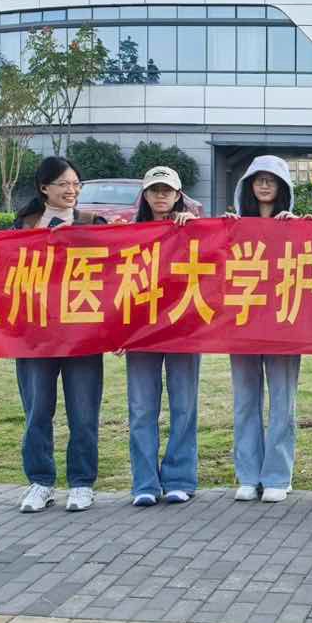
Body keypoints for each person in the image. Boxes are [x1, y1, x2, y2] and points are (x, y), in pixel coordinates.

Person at [12, 156, 110, 514]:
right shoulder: (24, 225)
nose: (71, 190)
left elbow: (116, 272)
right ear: (44, 188)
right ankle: (41, 481)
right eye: (63, 184)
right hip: (35, 333)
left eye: (76, 184)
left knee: (83, 412)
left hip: (82, 334)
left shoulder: (94, 223)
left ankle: (82, 483)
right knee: (37, 410)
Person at [224, 156, 302, 504]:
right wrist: (223, 230)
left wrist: (300, 229)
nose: (265, 185)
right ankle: (248, 474)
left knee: (283, 402)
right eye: (259, 179)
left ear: (283, 187)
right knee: (245, 400)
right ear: (248, 185)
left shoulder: (296, 227)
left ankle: (278, 476)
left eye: (272, 179)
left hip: (284, 323)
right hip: (242, 323)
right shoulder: (233, 226)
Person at [126, 166, 200, 507]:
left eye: (167, 190)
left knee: (184, 406)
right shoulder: (129, 234)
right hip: (141, 331)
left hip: (184, 328)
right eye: (154, 190)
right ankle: (145, 482)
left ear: (178, 195)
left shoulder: (193, 229)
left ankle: (180, 479)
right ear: (145, 195)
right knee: (142, 408)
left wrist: (195, 226)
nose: (160, 196)